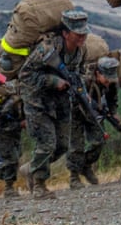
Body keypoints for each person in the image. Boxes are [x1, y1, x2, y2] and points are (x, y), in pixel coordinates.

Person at [18, 10, 91, 200]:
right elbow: (25, 76)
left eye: (84, 33)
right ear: (66, 33)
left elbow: (80, 74)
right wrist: (52, 81)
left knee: (62, 145)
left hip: (61, 102)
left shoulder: (81, 50)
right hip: (38, 101)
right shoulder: (47, 49)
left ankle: (31, 168)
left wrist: (83, 92)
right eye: (78, 33)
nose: (82, 36)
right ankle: (39, 185)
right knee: (47, 143)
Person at [67, 55, 120, 188]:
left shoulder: (110, 82)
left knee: (99, 141)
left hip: (94, 113)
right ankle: (74, 177)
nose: (109, 82)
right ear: (98, 73)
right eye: (106, 79)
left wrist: (113, 112)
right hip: (75, 111)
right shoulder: (84, 80)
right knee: (76, 145)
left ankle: (85, 166)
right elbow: (72, 96)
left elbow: (112, 98)